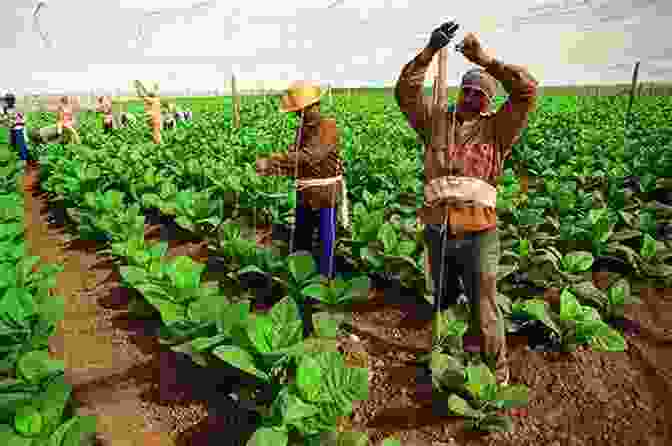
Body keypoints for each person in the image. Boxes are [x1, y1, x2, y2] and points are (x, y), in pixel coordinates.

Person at [395, 21, 538, 386]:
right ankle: (447, 355)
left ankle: (496, 376)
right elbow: (406, 94)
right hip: (437, 229)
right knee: (443, 298)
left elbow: (526, 91)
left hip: (479, 233)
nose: (473, 95)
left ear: (490, 101)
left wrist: (486, 60)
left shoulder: (499, 128)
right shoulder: (435, 121)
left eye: (481, 92)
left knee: (485, 306)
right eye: (468, 89)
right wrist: (429, 51)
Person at [255, 81, 345, 281]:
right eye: (296, 112)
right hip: (305, 195)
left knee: (325, 242)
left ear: (313, 106)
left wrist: (273, 160)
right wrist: (270, 169)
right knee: (301, 239)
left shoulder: (327, 126)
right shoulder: (301, 130)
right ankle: (301, 279)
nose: (298, 115)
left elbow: (312, 156)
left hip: (325, 196)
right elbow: (297, 163)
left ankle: (325, 282)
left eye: (300, 111)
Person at [2, 93, 29, 162]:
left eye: (10, 100)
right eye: (7, 100)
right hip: (12, 129)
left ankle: (24, 159)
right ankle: (14, 158)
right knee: (12, 145)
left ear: (13, 101)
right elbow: (5, 119)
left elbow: (24, 119)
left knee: (21, 145)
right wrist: (7, 122)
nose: (9, 102)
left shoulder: (17, 109)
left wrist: (17, 122)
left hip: (18, 129)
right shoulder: (5, 109)